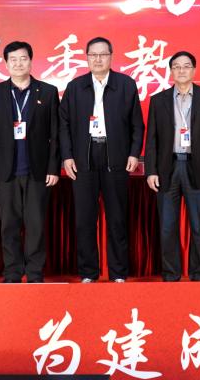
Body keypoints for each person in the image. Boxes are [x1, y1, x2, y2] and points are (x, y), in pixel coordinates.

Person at [60, 37, 144, 283]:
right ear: (87, 57)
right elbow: (63, 125)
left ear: (111, 56)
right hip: (83, 159)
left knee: (117, 218)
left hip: (115, 157)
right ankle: (88, 272)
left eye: (103, 54)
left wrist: (133, 153)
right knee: (85, 219)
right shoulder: (75, 87)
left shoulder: (126, 85)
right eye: (93, 55)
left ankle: (118, 272)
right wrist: (67, 156)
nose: (98, 59)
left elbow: (137, 124)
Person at [0, 41, 60, 284]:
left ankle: (35, 273)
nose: (18, 63)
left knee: (36, 225)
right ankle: (13, 273)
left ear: (31, 61)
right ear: (5, 64)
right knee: (9, 225)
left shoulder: (47, 92)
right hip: (5, 172)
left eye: (23, 58)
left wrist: (53, 167)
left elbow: (55, 133)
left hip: (38, 170)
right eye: (13, 59)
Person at [144, 51, 200, 282]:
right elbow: (152, 140)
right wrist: (151, 171)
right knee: (167, 227)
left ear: (194, 70)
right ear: (171, 71)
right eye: (176, 66)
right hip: (167, 168)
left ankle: (199, 274)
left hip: (197, 168)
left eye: (186, 66)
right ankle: (171, 275)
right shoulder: (158, 100)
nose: (181, 70)